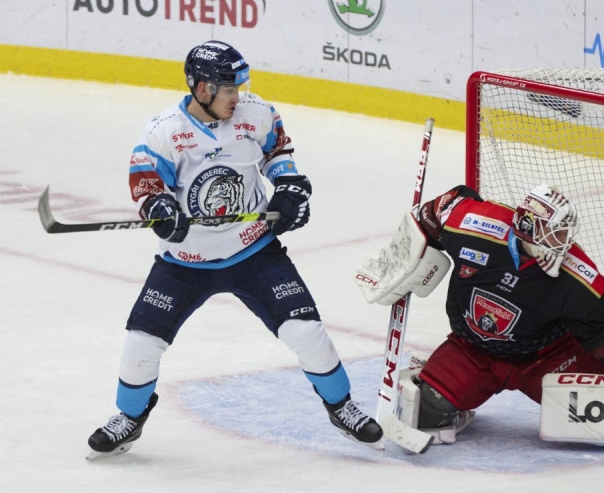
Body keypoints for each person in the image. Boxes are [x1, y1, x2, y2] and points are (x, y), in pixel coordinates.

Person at [87, 40, 383, 459]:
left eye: (238, 88)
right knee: (141, 342)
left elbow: (279, 153)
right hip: (184, 262)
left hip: (254, 253)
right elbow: (146, 180)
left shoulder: (256, 114)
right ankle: (129, 418)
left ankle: (341, 407)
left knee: (307, 331)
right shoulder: (164, 130)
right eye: (228, 89)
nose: (236, 97)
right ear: (202, 88)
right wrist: (160, 207)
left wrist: (289, 189)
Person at [355, 184, 604, 452]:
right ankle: (453, 395)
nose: (563, 244)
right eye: (553, 234)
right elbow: (433, 213)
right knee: (425, 411)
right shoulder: (476, 227)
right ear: (528, 227)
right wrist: (402, 260)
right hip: (471, 349)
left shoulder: (577, 276)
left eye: (566, 234)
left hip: (548, 359)